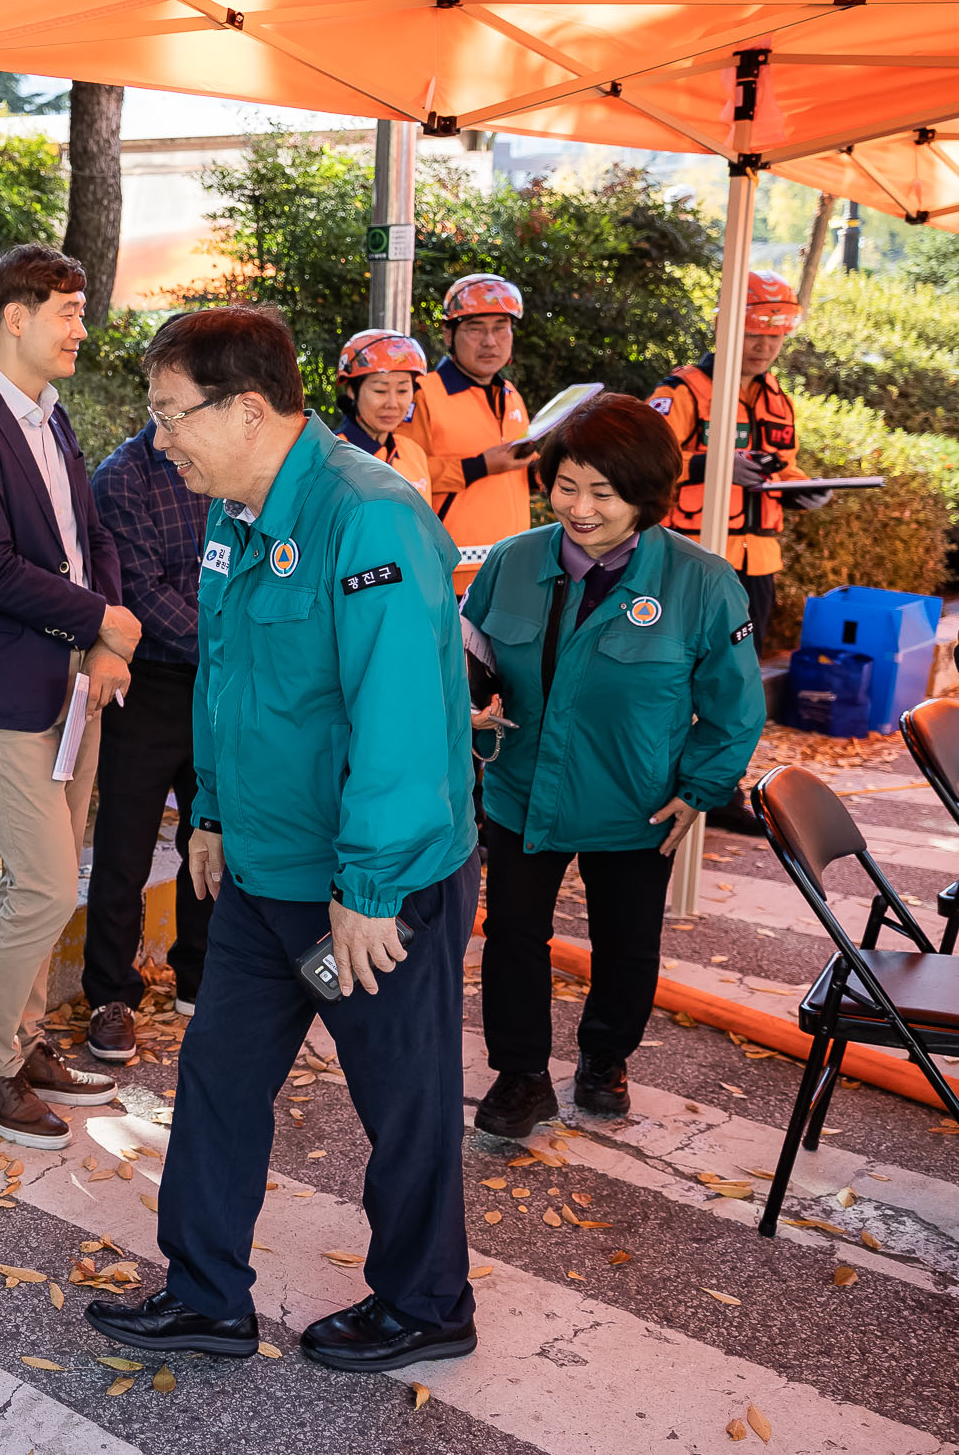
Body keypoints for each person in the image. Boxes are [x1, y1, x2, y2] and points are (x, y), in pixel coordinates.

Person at [87, 304, 479, 1373]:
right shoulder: (233, 512)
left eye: (172, 416)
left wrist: (368, 887)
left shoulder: (371, 517)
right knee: (217, 1076)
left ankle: (425, 1300)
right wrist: (207, 810)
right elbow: (227, 677)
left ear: (246, 408)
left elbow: (397, 720)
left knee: (400, 1098)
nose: (158, 439)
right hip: (264, 870)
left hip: (366, 889)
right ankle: (207, 1292)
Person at [463, 395, 764, 1137]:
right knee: (511, 937)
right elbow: (466, 659)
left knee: (626, 943)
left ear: (646, 495)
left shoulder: (701, 581)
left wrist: (700, 788)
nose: (581, 507)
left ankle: (604, 1060)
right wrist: (461, 710)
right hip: (521, 789)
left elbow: (734, 705)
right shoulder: (512, 560)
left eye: (604, 491)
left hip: (637, 802)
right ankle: (521, 1074)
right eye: (568, 485)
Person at [0, 243, 140, 1150]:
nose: (80, 327)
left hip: (74, 676)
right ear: (14, 317)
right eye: (67, 309)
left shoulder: (52, 416)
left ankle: (20, 1043)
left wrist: (102, 633)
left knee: (44, 879)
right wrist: (100, 614)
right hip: (4, 684)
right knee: (50, 885)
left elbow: (88, 531)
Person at [651, 269, 832, 834]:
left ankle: (721, 787)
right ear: (724, 327)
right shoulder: (680, 392)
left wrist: (805, 489)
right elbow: (640, 463)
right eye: (755, 334)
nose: (764, 347)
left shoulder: (776, 397)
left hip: (757, 564)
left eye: (775, 338)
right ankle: (660, 783)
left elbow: (785, 465)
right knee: (676, 677)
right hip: (694, 558)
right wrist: (710, 465)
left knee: (737, 683)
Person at [83, 415, 210, 1053]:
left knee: (212, 834)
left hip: (217, 687)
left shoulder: (226, 462)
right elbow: (140, 592)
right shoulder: (122, 477)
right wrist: (229, 643)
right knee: (124, 849)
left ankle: (200, 976)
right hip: (149, 683)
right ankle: (109, 995)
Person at [401, 273, 532, 592]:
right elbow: (398, 474)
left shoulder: (511, 394)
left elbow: (513, 479)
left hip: (510, 569)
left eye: (501, 328)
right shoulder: (421, 394)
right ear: (448, 334)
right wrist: (479, 466)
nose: (490, 341)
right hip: (449, 573)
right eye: (476, 329)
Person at [333, 328, 433, 502]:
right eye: (380, 390)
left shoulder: (414, 454)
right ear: (352, 391)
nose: (393, 404)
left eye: (402, 390)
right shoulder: (332, 457)